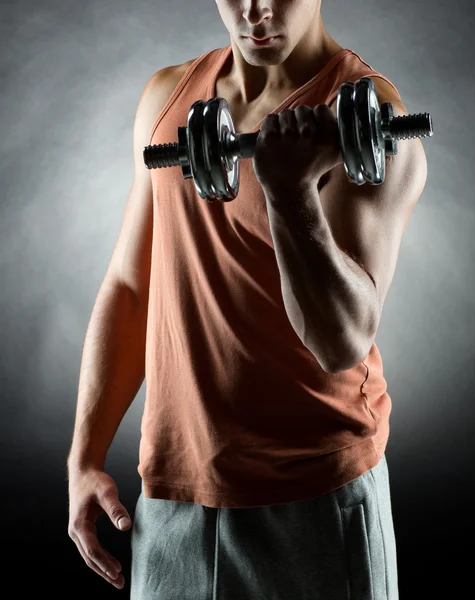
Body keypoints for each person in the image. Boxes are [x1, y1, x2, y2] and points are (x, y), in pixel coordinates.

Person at [67, 1, 428, 598]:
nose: (256, 7)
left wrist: (290, 194)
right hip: (173, 494)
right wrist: (84, 459)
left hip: (315, 496)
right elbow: (131, 289)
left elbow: (341, 341)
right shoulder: (167, 98)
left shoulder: (371, 117)